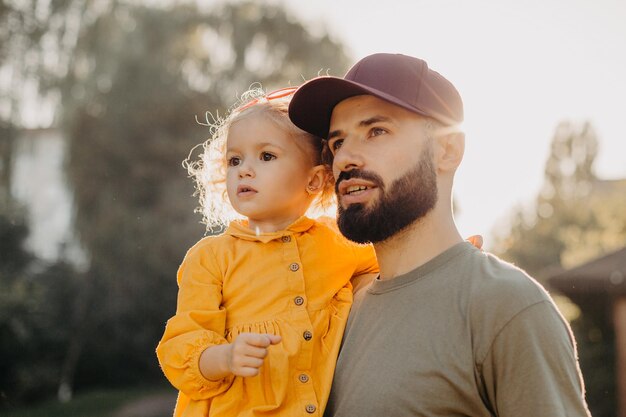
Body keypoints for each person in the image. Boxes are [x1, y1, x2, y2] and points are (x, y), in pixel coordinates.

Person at [288, 53, 592, 417]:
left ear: (447, 150)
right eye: (337, 143)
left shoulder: (507, 307)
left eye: (376, 131)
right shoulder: (338, 311)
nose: (345, 159)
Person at [155, 86, 380, 417]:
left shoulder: (336, 242)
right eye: (234, 160)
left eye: (266, 156)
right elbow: (182, 343)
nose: (244, 170)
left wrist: (449, 253)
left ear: (315, 181)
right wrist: (226, 357)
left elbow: (394, 259)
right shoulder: (210, 258)